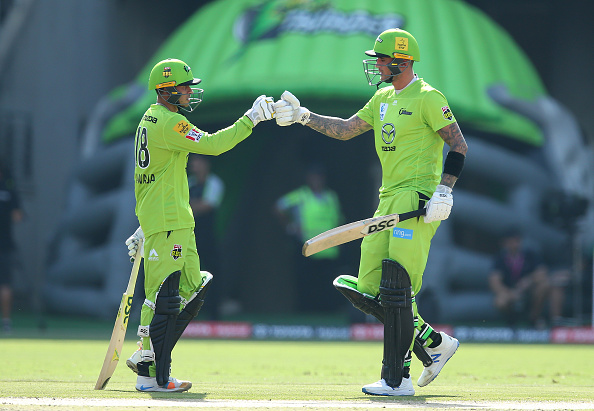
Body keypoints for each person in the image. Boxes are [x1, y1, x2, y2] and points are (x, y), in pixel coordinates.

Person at [273, 28, 468, 396]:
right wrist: (303, 116)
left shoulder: (429, 97)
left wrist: (444, 190)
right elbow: (347, 130)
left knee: (398, 286)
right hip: (387, 199)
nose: (376, 65)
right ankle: (434, 343)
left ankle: (398, 379)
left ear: (401, 61)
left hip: (417, 199)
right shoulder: (382, 97)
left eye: (381, 59)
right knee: (369, 289)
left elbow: (458, 145)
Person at [124, 58, 274, 392]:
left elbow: (150, 178)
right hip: (167, 222)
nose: (190, 92)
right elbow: (213, 145)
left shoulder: (149, 119)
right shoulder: (170, 123)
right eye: (185, 87)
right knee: (162, 295)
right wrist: (250, 119)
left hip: (172, 220)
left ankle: (150, 356)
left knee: (193, 289)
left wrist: (144, 223)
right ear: (167, 89)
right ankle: (149, 367)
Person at [274, 164, 343, 313]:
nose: (317, 181)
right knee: (307, 282)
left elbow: (338, 219)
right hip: (308, 246)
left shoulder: (331, 197)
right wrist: (290, 226)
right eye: (314, 177)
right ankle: (306, 310)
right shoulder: (301, 195)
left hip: (329, 248)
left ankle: (327, 311)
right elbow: (279, 206)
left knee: (327, 283)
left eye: (319, 177)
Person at [488, 229, 567, 329]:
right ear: (505, 243)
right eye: (510, 241)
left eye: (516, 241)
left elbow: (542, 272)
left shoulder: (530, 255)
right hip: (510, 291)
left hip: (529, 291)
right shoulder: (500, 258)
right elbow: (494, 280)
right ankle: (511, 320)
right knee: (500, 301)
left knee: (545, 285)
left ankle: (534, 318)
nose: (514, 244)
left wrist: (528, 281)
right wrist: (509, 292)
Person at [187, 154, 229, 319]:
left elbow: (207, 205)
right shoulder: (189, 182)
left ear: (206, 164)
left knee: (212, 271)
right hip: (189, 235)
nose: (193, 164)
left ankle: (213, 312)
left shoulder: (214, 183)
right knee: (188, 271)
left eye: (197, 161)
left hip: (207, 234)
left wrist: (188, 207)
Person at [0, 160, 23, 334]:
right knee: (5, 284)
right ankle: (6, 322)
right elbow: (17, 217)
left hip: (6, 246)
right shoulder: (10, 191)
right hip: (6, 244)